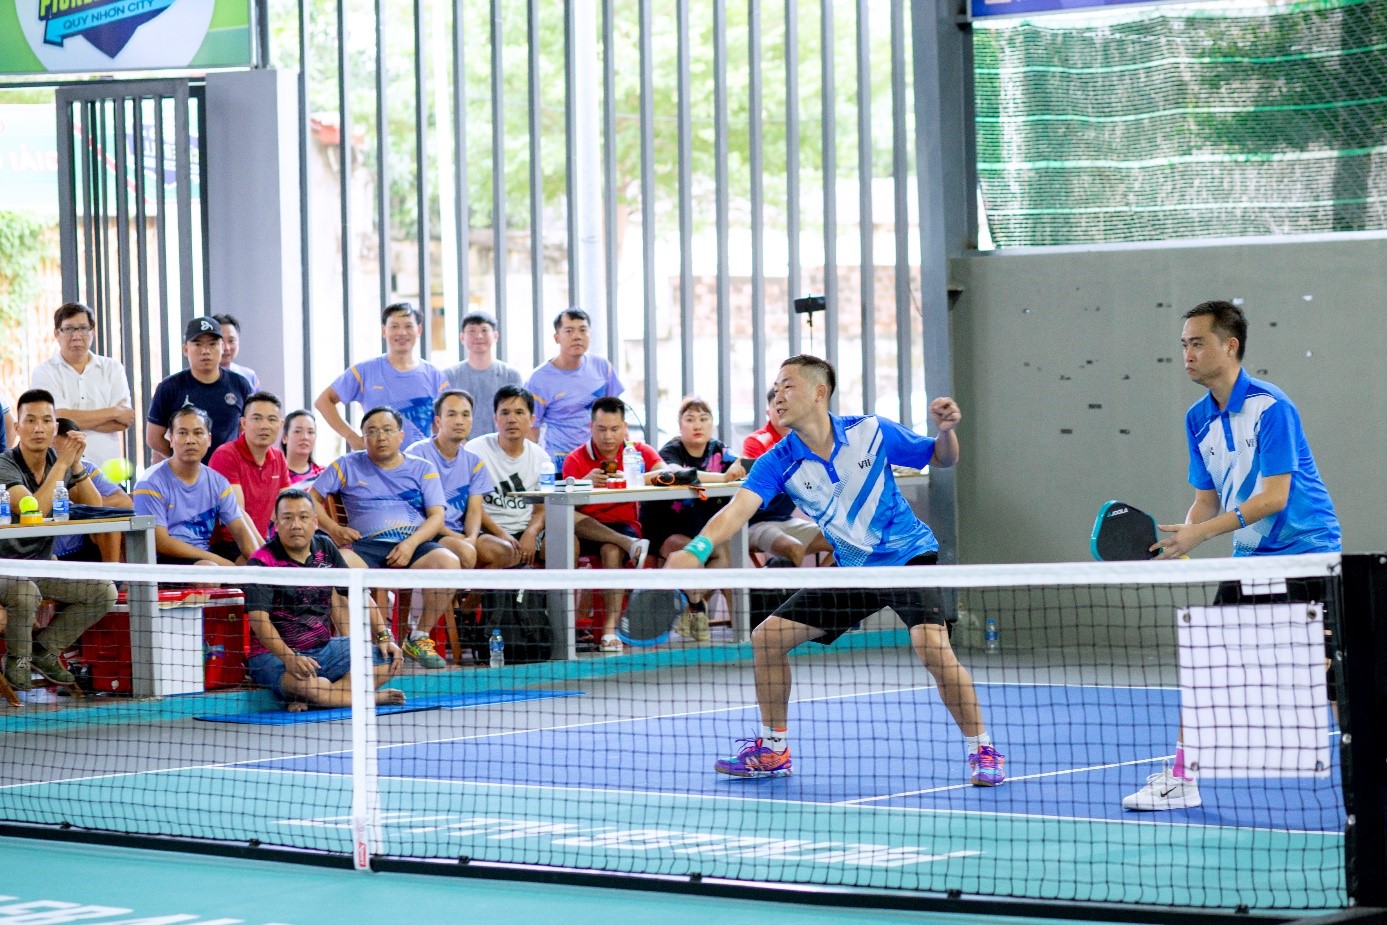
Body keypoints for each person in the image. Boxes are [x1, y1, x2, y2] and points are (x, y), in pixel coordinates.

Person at [664, 355, 1005, 786]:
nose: (777, 395)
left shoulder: (870, 431)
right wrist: (697, 550)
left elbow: (941, 457)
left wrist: (946, 431)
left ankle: (983, 749)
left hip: (906, 557)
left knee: (931, 646)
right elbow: (736, 511)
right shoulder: (778, 461)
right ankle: (773, 749)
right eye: (775, 388)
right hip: (852, 570)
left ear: (818, 393)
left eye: (788, 386)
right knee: (767, 638)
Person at [1122, 300, 1342, 811]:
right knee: (1209, 665)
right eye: (1184, 344)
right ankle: (1183, 779)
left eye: (1198, 343)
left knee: (1333, 674)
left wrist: (1199, 537)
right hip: (1251, 558)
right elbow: (1206, 500)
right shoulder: (1197, 419)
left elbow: (1274, 498)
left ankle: (1371, 775)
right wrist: (1178, 540)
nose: (1187, 354)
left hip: (1306, 554)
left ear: (1230, 346)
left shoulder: (1272, 407)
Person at [310, 406, 461, 670]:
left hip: (413, 545)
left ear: (401, 436)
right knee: (336, 568)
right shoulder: (346, 464)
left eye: (387, 430)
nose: (380, 436)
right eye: (372, 431)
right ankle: (352, 648)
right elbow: (311, 498)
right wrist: (334, 528)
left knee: (449, 562)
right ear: (363, 437)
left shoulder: (422, 468)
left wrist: (411, 544)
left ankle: (418, 636)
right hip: (364, 547)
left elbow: (437, 517)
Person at [0, 389, 118, 692]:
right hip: (4, 569)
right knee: (25, 592)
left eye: (46, 421)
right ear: (17, 427)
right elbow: (33, 510)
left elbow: (95, 507)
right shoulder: (5, 465)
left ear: (56, 427)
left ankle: (44, 650)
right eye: (30, 421)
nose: (38, 428)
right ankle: (17, 660)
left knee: (103, 591)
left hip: (40, 566)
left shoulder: (60, 462)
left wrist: (75, 464)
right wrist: (63, 465)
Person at [245, 488, 405, 711]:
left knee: (389, 659)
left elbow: (358, 593)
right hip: (273, 656)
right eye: (287, 518)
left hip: (324, 650)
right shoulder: (262, 562)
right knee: (308, 686)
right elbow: (258, 620)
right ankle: (369, 698)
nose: (296, 525)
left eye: (303, 517)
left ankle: (321, 697)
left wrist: (384, 636)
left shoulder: (325, 548)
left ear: (315, 522)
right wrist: (290, 659)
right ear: (276, 523)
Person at [561, 396, 664, 654]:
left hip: (623, 524)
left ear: (625, 428)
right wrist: (584, 482)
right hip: (585, 526)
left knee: (611, 550)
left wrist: (633, 477)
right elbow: (564, 504)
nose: (608, 436)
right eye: (601, 429)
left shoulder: (637, 452)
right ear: (591, 428)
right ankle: (629, 545)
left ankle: (609, 630)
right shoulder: (575, 459)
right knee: (569, 519)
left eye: (615, 429)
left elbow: (666, 472)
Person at [646, 396, 746, 641]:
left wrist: (739, 467)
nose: (697, 425)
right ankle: (697, 608)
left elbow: (741, 465)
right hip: (666, 530)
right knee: (694, 557)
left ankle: (695, 604)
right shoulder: (670, 451)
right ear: (680, 425)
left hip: (703, 528)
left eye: (703, 419)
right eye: (690, 420)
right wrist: (723, 478)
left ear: (712, 423)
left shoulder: (719, 450)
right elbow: (678, 474)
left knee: (726, 556)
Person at [132, 405, 261, 566]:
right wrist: (223, 563)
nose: (190, 440)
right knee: (209, 568)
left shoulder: (218, 482)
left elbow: (240, 529)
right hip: (162, 560)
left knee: (249, 562)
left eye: (198, 433)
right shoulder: (150, 482)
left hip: (203, 556)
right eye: (182, 433)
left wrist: (259, 565)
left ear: (209, 439)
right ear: (171, 439)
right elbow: (161, 542)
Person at [315, 301, 449, 450]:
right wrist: (351, 437)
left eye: (408, 326)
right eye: (394, 326)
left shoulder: (435, 376)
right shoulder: (365, 371)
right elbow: (323, 401)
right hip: (375, 461)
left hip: (420, 462)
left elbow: (443, 423)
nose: (402, 332)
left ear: (419, 330)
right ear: (384, 331)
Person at [405, 390, 516, 569]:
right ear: (438, 421)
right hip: (428, 532)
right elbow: (416, 511)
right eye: (452, 414)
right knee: (466, 552)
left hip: (460, 532)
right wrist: (460, 539)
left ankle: (472, 589)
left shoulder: (474, 462)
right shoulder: (416, 455)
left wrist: (471, 538)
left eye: (465, 415)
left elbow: (474, 510)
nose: (459, 421)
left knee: (504, 551)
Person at [29, 301, 135, 466]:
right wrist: (113, 412)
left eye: (83, 328)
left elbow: (125, 420)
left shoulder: (113, 368)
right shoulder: (44, 372)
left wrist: (72, 420)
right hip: (61, 469)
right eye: (69, 329)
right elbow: (58, 420)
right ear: (56, 333)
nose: (76, 336)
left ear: (93, 331)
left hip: (106, 469)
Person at [742, 387, 834, 568]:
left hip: (784, 519)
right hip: (755, 522)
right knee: (794, 548)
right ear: (768, 412)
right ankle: (794, 588)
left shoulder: (805, 441)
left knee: (843, 540)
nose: (783, 410)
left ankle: (815, 585)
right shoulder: (755, 442)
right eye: (778, 405)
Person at [146, 317, 255, 462]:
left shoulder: (240, 384)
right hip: (185, 471)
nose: (205, 351)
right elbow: (154, 438)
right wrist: (181, 459)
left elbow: (251, 429)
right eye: (198, 344)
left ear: (222, 347)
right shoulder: (169, 387)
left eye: (212, 344)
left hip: (229, 470)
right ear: (186, 349)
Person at [466, 385, 548, 567]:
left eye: (519, 412)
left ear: (532, 419)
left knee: (565, 543)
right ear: (495, 419)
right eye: (504, 413)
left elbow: (541, 510)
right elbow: (472, 506)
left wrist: (531, 533)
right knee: (505, 550)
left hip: (525, 529)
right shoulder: (475, 451)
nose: (512, 419)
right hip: (487, 532)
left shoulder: (542, 458)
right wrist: (501, 534)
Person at [526, 308, 623, 460]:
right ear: (557, 337)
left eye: (583, 330)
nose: (577, 336)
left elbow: (616, 412)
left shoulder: (602, 367)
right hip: (559, 459)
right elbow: (531, 429)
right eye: (569, 331)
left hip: (598, 456)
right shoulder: (538, 379)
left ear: (590, 335)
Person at [208, 391, 292, 547]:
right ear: (244, 423)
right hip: (228, 544)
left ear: (281, 425)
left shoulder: (279, 458)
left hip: (260, 542)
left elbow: (288, 506)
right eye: (257, 418)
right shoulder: (226, 455)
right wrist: (266, 554)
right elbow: (237, 513)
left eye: (272, 419)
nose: (264, 426)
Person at [52, 418, 132, 563]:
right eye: (56, 453)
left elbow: (125, 502)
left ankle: (112, 575)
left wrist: (80, 508)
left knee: (108, 518)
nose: (63, 459)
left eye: (69, 452)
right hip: (46, 551)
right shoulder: (37, 469)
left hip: (79, 549)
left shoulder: (86, 468)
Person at [443, 311, 523, 439]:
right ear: (462, 337)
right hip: (460, 446)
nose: (479, 336)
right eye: (472, 331)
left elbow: (519, 416)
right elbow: (443, 418)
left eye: (484, 330)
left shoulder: (511, 375)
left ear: (495, 336)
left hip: (502, 445)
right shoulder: (449, 376)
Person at [215, 313, 260, 390]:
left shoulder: (248, 376)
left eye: (231, 341)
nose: (226, 348)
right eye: (220, 341)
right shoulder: (198, 376)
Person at [281, 410, 324, 484]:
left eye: (310, 432)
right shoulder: (275, 476)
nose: (305, 437)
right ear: (284, 438)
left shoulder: (324, 474)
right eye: (298, 431)